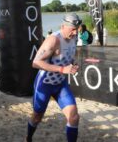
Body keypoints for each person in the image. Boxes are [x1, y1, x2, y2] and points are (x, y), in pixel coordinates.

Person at [26, 13, 81, 142]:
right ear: (63, 26)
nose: (75, 32)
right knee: (37, 117)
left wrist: (73, 63)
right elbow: (36, 63)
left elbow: (69, 54)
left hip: (60, 84)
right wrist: (62, 69)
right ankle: (28, 138)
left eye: (76, 29)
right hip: (45, 83)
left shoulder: (74, 37)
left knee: (74, 117)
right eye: (72, 29)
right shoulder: (53, 40)